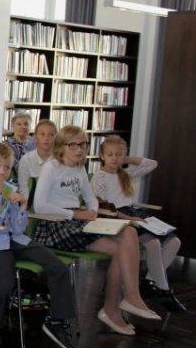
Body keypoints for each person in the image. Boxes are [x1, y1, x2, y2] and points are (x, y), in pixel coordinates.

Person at [32, 125, 160, 335]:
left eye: (83, 144)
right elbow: (39, 206)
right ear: (61, 147)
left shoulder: (80, 168)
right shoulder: (51, 167)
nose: (80, 149)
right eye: (73, 145)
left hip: (79, 222)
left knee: (129, 232)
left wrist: (91, 210)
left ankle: (130, 297)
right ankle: (113, 308)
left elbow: (91, 198)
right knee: (122, 247)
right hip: (56, 225)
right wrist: (75, 214)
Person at [0, 143, 77, 348]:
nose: (1, 172)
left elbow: (19, 227)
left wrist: (20, 207)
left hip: (15, 239)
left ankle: (56, 321)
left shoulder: (9, 188)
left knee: (59, 267)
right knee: (5, 282)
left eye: (6, 168)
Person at [91, 136, 184, 312]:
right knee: (154, 243)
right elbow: (102, 208)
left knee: (174, 242)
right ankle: (164, 291)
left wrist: (124, 158)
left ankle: (150, 282)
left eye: (118, 154)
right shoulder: (99, 178)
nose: (114, 158)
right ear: (102, 156)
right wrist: (130, 219)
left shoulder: (124, 174)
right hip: (115, 217)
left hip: (134, 214)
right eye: (110, 154)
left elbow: (152, 164)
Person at [17, 119, 56, 199]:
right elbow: (23, 188)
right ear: (35, 138)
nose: (47, 138)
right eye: (42, 134)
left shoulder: (62, 159)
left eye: (51, 135)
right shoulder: (26, 160)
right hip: (32, 204)